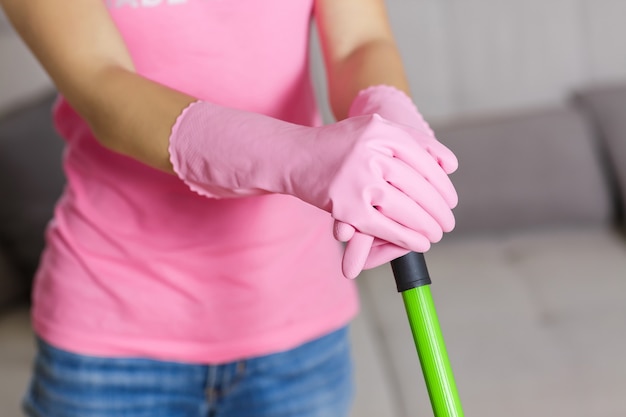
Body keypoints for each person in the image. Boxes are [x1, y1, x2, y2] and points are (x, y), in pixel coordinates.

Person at [0, 0, 458, 416]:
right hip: (110, 346)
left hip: (298, 329)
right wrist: (296, 156)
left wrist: (386, 111)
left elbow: (359, 41)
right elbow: (102, 85)